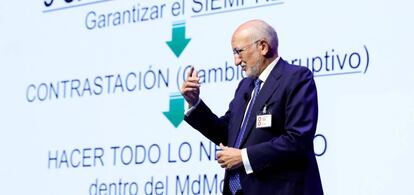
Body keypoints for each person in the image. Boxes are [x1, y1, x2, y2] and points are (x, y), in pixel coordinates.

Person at [181, 19, 323, 195]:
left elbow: (297, 139)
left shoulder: (296, 78)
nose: (235, 61)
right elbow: (228, 133)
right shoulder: (245, 86)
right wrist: (194, 103)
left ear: (263, 47)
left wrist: (244, 157)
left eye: (239, 52)